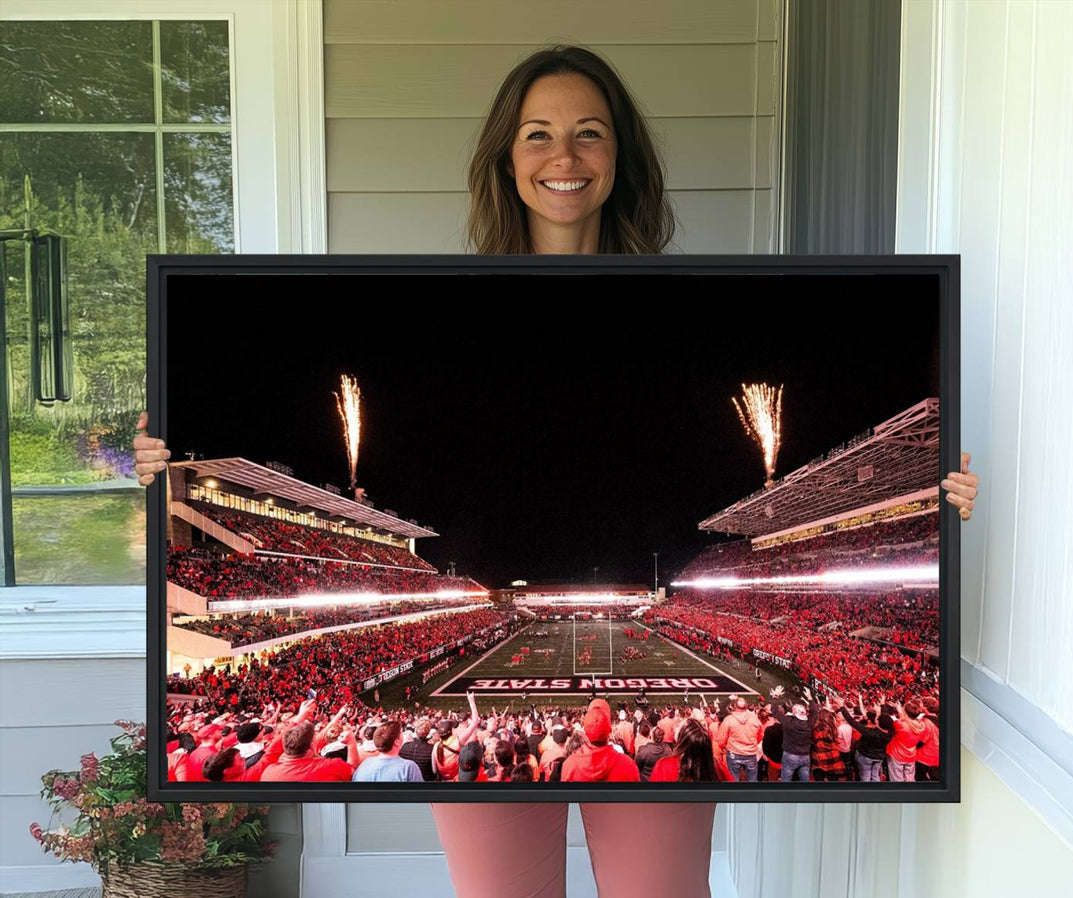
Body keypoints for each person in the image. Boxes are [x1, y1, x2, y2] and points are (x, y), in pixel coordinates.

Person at [135, 42, 981, 898]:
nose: (564, 157)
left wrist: (935, 502)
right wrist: (150, 474)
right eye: (537, 134)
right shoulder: (444, 309)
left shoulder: (686, 302)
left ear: (623, 157)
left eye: (590, 133)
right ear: (506, 156)